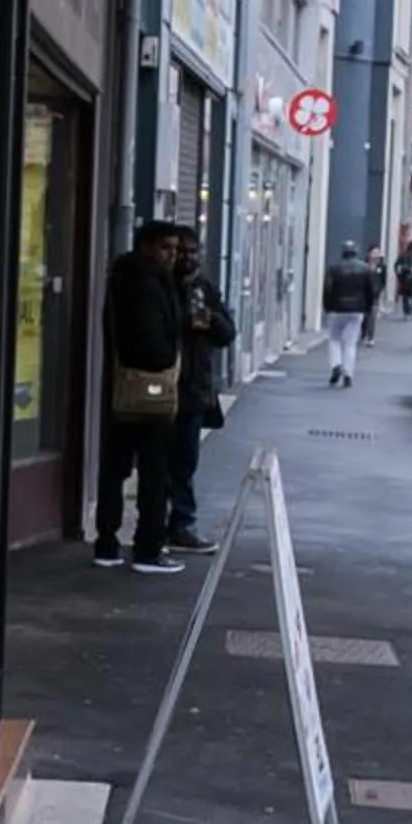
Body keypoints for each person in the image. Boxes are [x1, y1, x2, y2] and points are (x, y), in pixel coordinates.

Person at [93, 220, 187, 575]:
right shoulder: (147, 284)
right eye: (166, 248)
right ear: (146, 246)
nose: (172, 256)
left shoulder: (124, 277)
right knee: (154, 472)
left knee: (115, 468)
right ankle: (148, 548)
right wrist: (168, 356)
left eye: (175, 249)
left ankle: (107, 542)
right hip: (148, 390)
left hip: (121, 389)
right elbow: (151, 343)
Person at [163, 225, 236, 553]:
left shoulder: (204, 289)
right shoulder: (161, 286)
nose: (188, 258)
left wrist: (212, 321)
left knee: (186, 460)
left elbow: (228, 333)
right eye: (183, 251)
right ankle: (159, 523)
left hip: (193, 387)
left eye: (194, 252)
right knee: (159, 459)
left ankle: (181, 523)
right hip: (161, 384)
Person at [319, 241, 378, 388]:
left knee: (334, 339)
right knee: (350, 343)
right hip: (357, 310)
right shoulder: (365, 269)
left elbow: (327, 289)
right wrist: (368, 308)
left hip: (337, 309)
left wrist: (327, 307)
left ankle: (336, 365)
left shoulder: (334, 268)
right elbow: (371, 291)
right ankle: (348, 374)